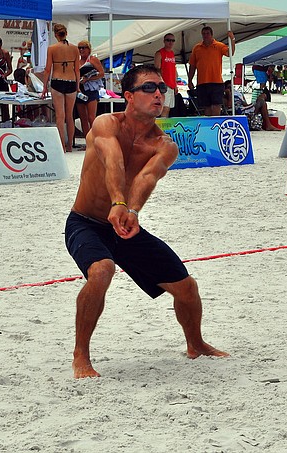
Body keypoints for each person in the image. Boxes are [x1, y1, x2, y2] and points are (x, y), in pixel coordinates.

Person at [66, 64, 228, 378]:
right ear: (128, 95)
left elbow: (146, 178)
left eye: (161, 89)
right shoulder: (105, 124)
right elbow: (113, 160)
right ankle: (81, 356)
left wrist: (132, 211)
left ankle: (196, 344)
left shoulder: (165, 145)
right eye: (149, 88)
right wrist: (118, 202)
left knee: (187, 288)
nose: (158, 94)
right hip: (86, 222)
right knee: (101, 271)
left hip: (125, 224)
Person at [43, 23, 81, 152]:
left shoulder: (52, 48)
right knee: (69, 116)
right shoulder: (75, 49)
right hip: (71, 81)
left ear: (55, 34)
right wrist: (78, 86)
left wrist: (44, 88)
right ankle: (70, 145)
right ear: (66, 33)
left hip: (57, 81)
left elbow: (47, 69)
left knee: (60, 116)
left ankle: (62, 146)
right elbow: (77, 70)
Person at [187, 26, 235, 116]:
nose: (205, 36)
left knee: (216, 105)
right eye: (204, 34)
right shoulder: (197, 48)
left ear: (212, 35)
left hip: (216, 81)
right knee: (206, 106)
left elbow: (230, 53)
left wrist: (232, 39)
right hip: (202, 82)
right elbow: (192, 66)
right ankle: (209, 126)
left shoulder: (219, 46)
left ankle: (215, 124)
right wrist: (190, 80)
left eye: (207, 33)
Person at [76, 40, 106, 141]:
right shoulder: (77, 61)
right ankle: (88, 141)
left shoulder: (93, 60)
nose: (81, 50)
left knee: (91, 117)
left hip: (91, 89)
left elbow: (101, 73)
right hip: (80, 89)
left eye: (83, 47)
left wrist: (88, 78)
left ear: (88, 49)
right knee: (83, 118)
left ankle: (95, 140)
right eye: (79, 48)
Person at [154, 33, 180, 117]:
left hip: (171, 85)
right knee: (164, 107)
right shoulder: (159, 53)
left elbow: (173, 70)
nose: (170, 42)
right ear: (164, 41)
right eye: (168, 40)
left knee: (168, 108)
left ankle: (165, 126)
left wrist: (175, 85)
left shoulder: (172, 53)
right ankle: (162, 127)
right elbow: (157, 69)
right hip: (164, 84)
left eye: (172, 40)